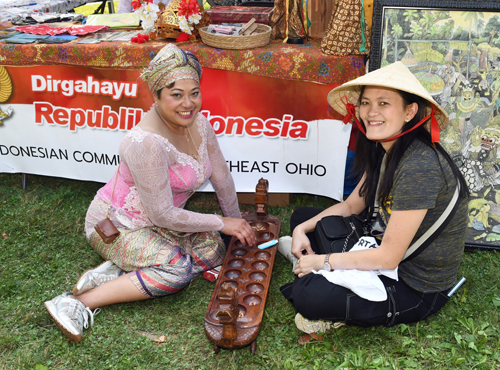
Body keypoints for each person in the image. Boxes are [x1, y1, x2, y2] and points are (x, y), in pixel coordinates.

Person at [44, 44, 255, 343]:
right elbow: (161, 214)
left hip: (164, 223)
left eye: (194, 92)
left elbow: (222, 178)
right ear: (155, 96)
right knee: (178, 271)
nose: (188, 104)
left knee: (215, 249)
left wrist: (236, 226)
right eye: (176, 95)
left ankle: (120, 273)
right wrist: (222, 222)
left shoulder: (201, 125)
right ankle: (78, 301)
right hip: (119, 226)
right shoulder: (145, 142)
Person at [279, 61, 469, 337]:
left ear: (410, 111)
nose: (371, 112)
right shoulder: (385, 146)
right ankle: (311, 264)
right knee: (302, 218)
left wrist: (323, 261)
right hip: (380, 239)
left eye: (383, 103)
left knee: (309, 295)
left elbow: (389, 258)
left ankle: (311, 268)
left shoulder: (420, 165)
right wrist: (300, 229)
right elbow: (352, 205)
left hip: (414, 284)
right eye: (366, 102)